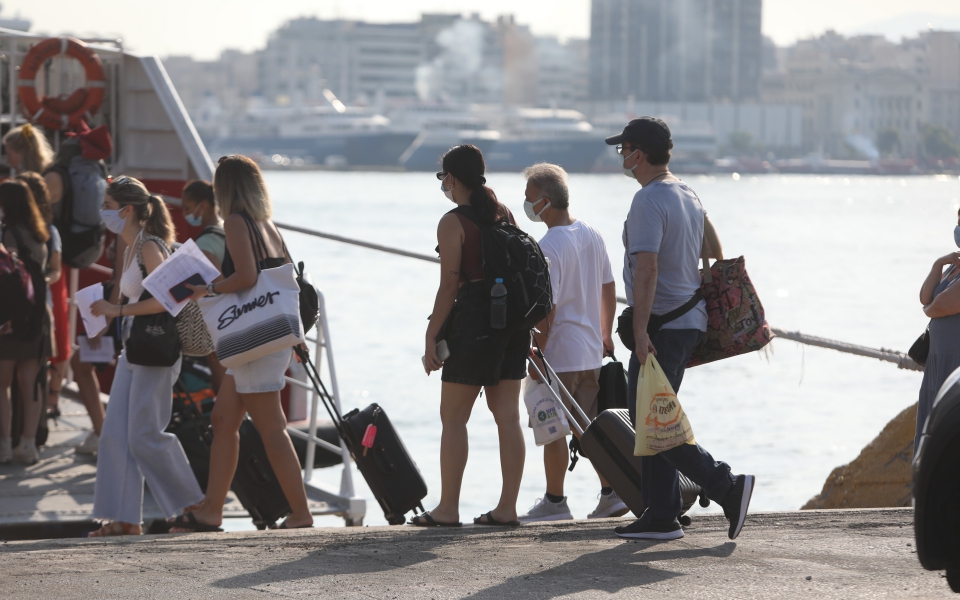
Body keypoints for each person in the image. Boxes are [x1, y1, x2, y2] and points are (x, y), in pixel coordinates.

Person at [609, 117, 754, 541]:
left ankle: (726, 486)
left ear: (638, 154)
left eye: (624, 149)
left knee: (651, 418)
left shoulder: (648, 200)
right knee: (654, 419)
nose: (621, 156)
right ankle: (662, 515)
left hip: (663, 326)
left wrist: (639, 331)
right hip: (687, 320)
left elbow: (647, 268)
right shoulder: (687, 192)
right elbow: (714, 249)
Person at [173, 155, 313, 531]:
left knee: (271, 427)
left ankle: (301, 514)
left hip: (253, 338)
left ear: (225, 189)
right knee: (223, 421)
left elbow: (247, 277)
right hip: (270, 335)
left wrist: (208, 289)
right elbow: (288, 283)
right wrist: (298, 337)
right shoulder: (268, 225)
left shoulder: (236, 222)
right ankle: (212, 510)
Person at [412, 144, 527, 527]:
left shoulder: (453, 222)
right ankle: (507, 509)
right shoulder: (504, 212)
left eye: (442, 177)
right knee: (507, 418)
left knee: (453, 418)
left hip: (475, 322)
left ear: (451, 178)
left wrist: (431, 334)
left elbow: (449, 287)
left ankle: (448, 509)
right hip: (512, 321)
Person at [86, 176, 204, 536]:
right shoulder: (131, 246)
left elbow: (170, 299)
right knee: (114, 434)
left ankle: (193, 507)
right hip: (135, 349)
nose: (103, 212)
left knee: (144, 434)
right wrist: (107, 313)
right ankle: (123, 518)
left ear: (127, 210)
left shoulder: (149, 246)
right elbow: (135, 297)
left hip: (155, 350)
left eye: (107, 206)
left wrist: (117, 310)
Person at [516, 163, 624, 522]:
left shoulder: (548, 245)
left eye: (530, 198)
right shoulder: (591, 233)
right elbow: (609, 285)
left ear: (545, 202)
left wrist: (539, 353)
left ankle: (555, 502)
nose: (527, 205)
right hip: (590, 351)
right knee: (586, 429)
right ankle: (611, 493)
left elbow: (548, 306)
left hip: (560, 354)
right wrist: (605, 333)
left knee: (553, 429)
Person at [0, 180, 50, 465]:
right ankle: (28, 444)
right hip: (37, 314)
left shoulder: (9, 233)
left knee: (2, 385)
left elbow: (8, 273)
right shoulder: (40, 234)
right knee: (31, 383)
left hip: (11, 316)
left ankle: (4, 445)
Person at [16, 173, 68, 422]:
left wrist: (37, 281)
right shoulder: (7, 227)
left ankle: (31, 430)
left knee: (33, 369)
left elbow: (56, 269)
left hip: (37, 307)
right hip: (13, 306)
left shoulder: (49, 230)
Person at [916, 207, 960, 451]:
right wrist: (939, 263)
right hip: (937, 358)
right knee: (928, 424)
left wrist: (929, 308)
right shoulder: (952, 267)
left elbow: (940, 306)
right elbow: (925, 297)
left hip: (955, 361)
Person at [180, 179, 226, 392]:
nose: (185, 214)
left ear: (203, 205)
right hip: (236, 316)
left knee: (222, 384)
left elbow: (219, 284)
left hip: (219, 322)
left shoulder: (204, 244)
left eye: (187, 208)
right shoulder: (226, 230)